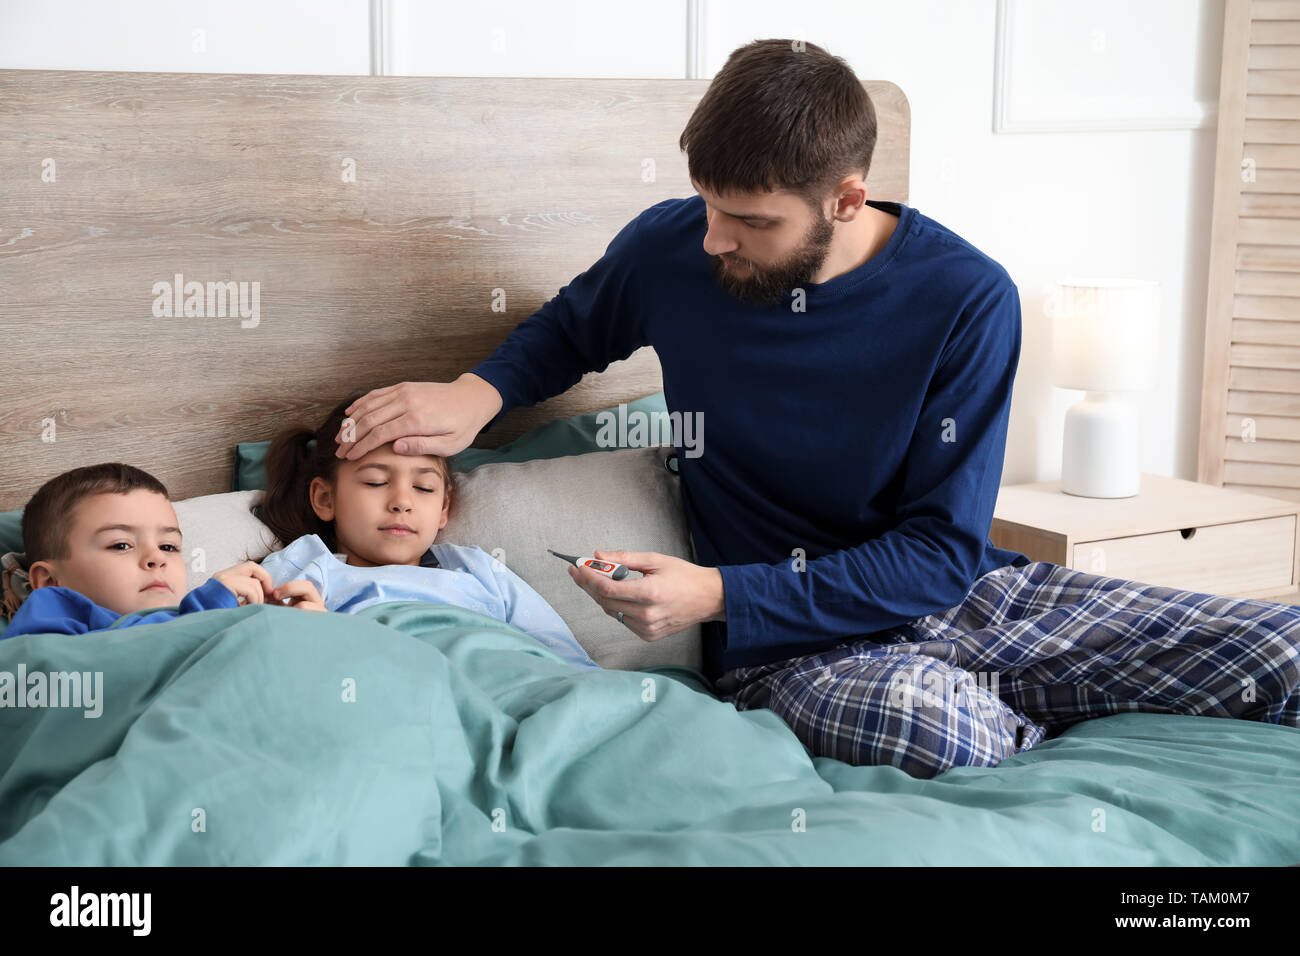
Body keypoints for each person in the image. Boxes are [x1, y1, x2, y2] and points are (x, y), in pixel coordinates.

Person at [325, 39, 1300, 777]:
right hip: (783, 648)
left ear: (845, 199)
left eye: (749, 221)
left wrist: (712, 592)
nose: (712, 239)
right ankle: (1051, 740)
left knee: (1279, 645)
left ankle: (1055, 695)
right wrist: (476, 390)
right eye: (705, 202)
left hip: (957, 598)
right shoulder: (674, 249)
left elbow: (937, 554)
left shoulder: (967, 299)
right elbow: (570, 330)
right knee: (940, 723)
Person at [255, 395, 600, 671]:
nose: (402, 502)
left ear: (444, 508)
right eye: (376, 482)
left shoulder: (477, 569)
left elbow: (566, 662)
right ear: (325, 498)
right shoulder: (312, 567)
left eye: (423, 487)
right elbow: (241, 640)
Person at [2, 462, 321, 639]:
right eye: (121, 545)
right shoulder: (48, 614)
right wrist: (204, 613)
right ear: (49, 581)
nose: (156, 559)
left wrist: (290, 633)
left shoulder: (192, 619)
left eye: (168, 546)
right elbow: (109, 666)